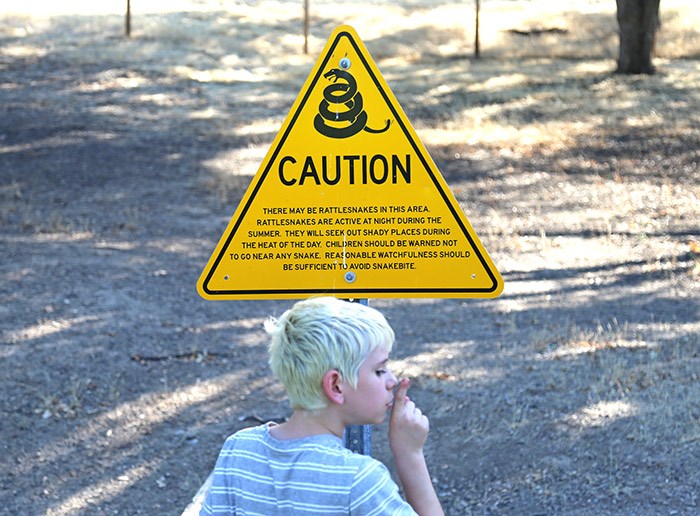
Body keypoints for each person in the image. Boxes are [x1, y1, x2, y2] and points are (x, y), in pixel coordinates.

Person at [200, 297, 444, 515]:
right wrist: (409, 454)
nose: (392, 380)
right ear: (336, 385)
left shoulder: (239, 449)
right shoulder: (359, 480)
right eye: (379, 370)